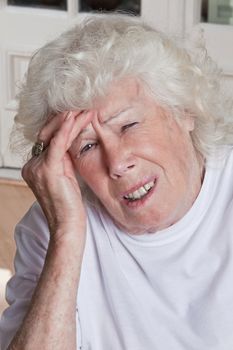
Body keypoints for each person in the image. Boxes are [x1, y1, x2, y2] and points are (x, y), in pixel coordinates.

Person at [0, 13, 233, 350]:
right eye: (88, 146)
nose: (118, 162)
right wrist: (67, 234)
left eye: (128, 125)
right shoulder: (51, 229)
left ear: (184, 111)